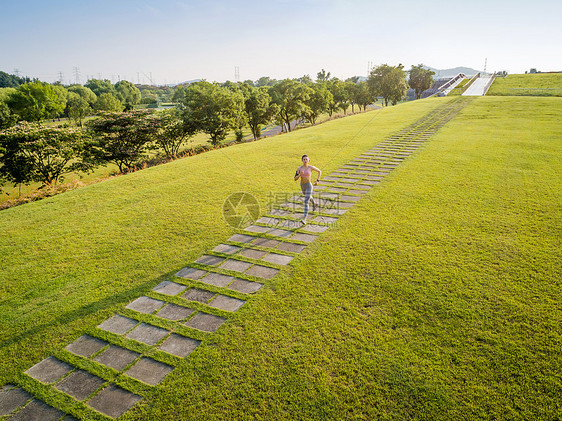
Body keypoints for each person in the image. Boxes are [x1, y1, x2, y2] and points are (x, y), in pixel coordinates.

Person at [294, 154, 321, 225]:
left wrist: (317, 180)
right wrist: (300, 174)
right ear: (302, 160)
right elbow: (295, 179)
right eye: (304, 159)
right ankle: (314, 204)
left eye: (306, 159)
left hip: (309, 185)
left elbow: (319, 171)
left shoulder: (311, 167)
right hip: (302, 186)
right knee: (308, 197)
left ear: (309, 160)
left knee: (306, 201)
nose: (305, 160)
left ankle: (304, 219)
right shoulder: (299, 169)